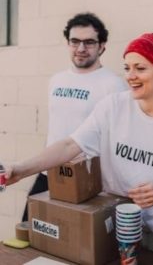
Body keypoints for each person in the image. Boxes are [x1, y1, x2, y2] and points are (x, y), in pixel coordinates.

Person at [7, 33, 153, 252]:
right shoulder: (113, 106)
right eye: (127, 68)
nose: (130, 76)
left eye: (140, 68)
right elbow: (70, 145)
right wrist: (20, 169)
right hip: (111, 228)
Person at [22, 12, 126, 221]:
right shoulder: (56, 80)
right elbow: (55, 127)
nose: (81, 48)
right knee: (30, 230)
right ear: (68, 43)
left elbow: (118, 138)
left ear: (102, 46)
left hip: (86, 179)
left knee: (71, 244)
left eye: (89, 42)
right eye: (75, 41)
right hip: (49, 172)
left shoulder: (114, 85)